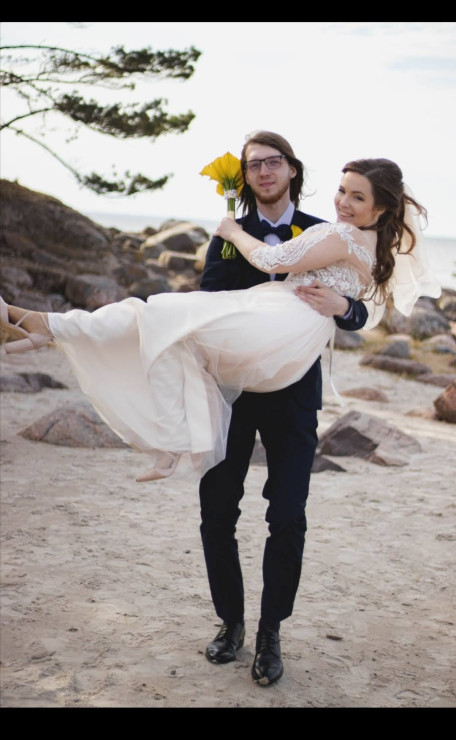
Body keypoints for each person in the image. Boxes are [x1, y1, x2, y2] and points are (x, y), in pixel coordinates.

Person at [0, 146, 438, 686]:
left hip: (292, 387)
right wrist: (223, 298)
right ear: (244, 175)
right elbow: (211, 292)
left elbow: (364, 308)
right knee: (217, 512)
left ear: (292, 169)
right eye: (253, 164)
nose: (344, 202)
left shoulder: (324, 230)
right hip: (234, 378)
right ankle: (231, 623)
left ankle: (271, 632)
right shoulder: (255, 233)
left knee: (288, 516)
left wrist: (341, 306)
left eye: (272, 162)